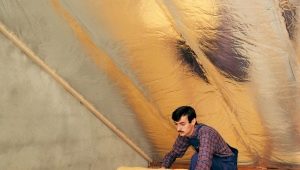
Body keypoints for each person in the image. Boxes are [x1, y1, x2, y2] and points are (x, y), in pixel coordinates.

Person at [161, 106, 238, 170]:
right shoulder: (184, 133)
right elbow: (174, 153)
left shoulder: (206, 133)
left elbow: (204, 160)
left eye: (182, 124)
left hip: (226, 164)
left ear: (193, 121)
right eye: (176, 124)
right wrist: (164, 167)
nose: (178, 129)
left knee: (196, 158)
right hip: (211, 161)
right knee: (197, 158)